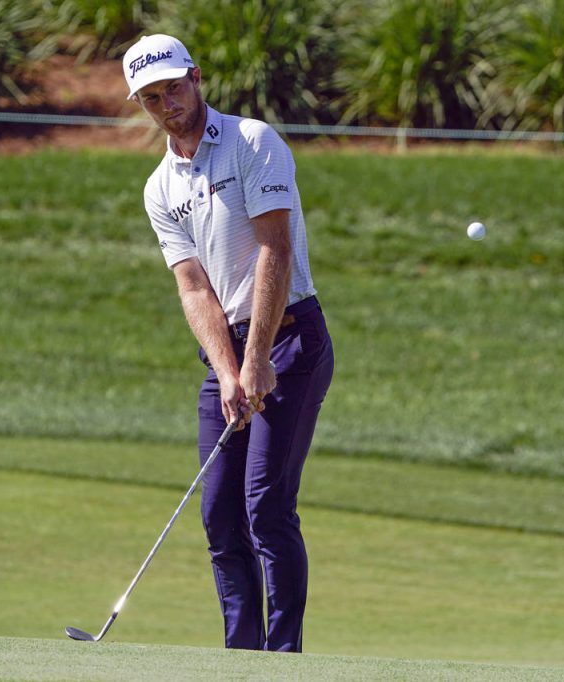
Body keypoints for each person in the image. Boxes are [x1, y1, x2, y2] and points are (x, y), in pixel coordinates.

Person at [121, 34, 334, 653]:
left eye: (173, 89)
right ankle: (239, 658)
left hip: (289, 342)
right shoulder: (160, 187)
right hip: (230, 352)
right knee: (219, 515)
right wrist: (228, 368)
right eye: (151, 98)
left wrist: (258, 358)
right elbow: (193, 287)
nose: (167, 105)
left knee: (265, 505)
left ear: (196, 78)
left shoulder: (252, 142)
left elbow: (275, 249)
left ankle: (282, 658)